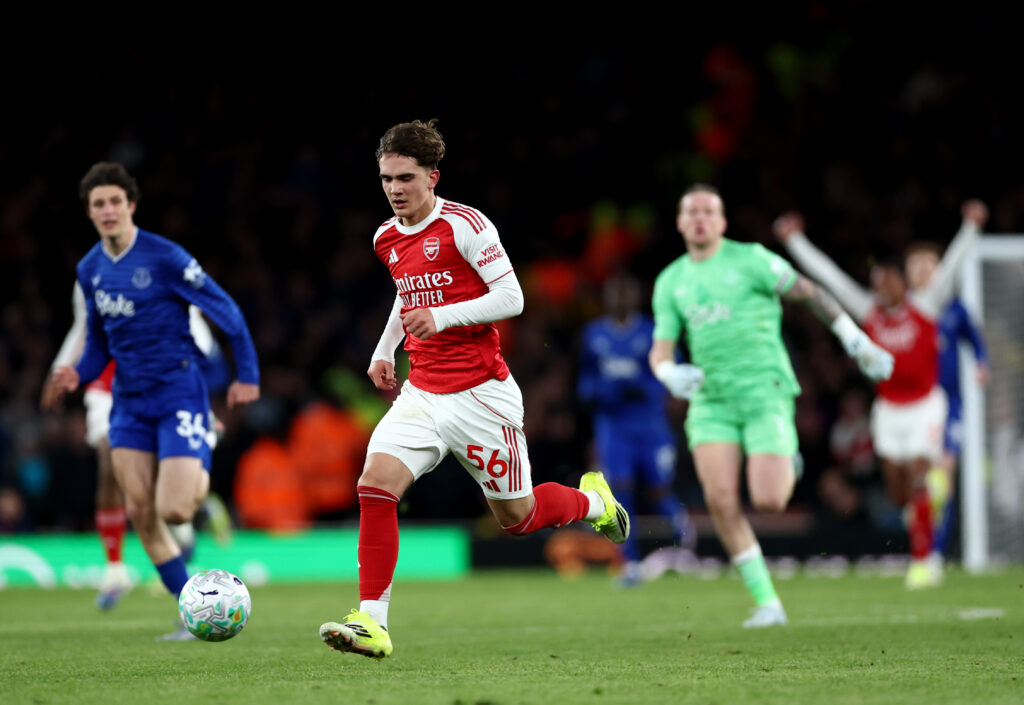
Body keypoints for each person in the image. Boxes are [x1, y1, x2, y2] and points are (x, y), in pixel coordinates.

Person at [319, 120, 629, 659]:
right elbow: (406, 295)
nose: (394, 189)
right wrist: (383, 349)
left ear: (432, 177)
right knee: (375, 485)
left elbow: (512, 297)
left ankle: (591, 502)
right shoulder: (385, 238)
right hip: (422, 393)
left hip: (482, 395)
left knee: (519, 518)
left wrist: (441, 317)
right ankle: (373, 622)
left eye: (406, 178)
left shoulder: (466, 225)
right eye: (387, 178)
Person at [649, 184, 893, 627]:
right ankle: (767, 601)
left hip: (765, 391)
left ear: (722, 223)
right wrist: (668, 373)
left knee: (770, 500)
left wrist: (856, 340)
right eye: (692, 211)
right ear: (681, 223)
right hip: (712, 400)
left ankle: (789, 462)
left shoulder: (752, 259)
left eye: (709, 211)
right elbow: (660, 348)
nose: (701, 218)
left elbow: (811, 293)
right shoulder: (671, 281)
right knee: (721, 500)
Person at [49, 162, 260, 639]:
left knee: (176, 512)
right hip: (128, 403)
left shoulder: (165, 257)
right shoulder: (90, 270)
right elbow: (99, 343)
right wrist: (75, 374)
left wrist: (246, 373)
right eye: (98, 203)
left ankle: (200, 451)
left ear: (131, 206)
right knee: (140, 511)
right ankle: (191, 610)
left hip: (178, 396)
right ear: (89, 211)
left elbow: (225, 308)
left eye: (114, 201)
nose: (107, 210)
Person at [773, 199, 987, 589]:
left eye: (887, 279)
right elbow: (830, 278)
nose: (880, 286)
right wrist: (796, 242)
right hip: (888, 411)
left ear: (902, 283)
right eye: (876, 281)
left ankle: (924, 562)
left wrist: (971, 228)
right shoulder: (868, 311)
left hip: (925, 406)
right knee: (898, 493)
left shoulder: (925, 305)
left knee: (922, 481)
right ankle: (924, 508)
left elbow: (953, 265)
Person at [41, 283, 234, 610]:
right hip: (109, 382)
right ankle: (115, 568)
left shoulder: (162, 271)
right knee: (109, 460)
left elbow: (197, 336)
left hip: (159, 384)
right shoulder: (89, 276)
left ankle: (193, 516)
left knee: (163, 484)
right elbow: (82, 328)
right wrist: (57, 373)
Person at [578, 273, 696, 586]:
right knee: (620, 490)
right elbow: (586, 378)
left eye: (624, 293)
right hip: (613, 426)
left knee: (659, 489)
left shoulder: (652, 332)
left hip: (650, 424)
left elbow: (673, 370)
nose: (618, 300)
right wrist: (596, 391)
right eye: (613, 294)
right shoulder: (593, 334)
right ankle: (629, 564)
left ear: (635, 298)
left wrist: (646, 386)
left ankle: (687, 542)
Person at [904, 240, 989, 574]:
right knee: (918, 482)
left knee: (944, 475)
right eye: (916, 265)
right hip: (914, 406)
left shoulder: (955, 308)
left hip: (950, 403)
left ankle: (935, 554)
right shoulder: (904, 311)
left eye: (930, 264)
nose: (924, 271)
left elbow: (975, 339)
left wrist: (982, 363)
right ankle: (921, 549)